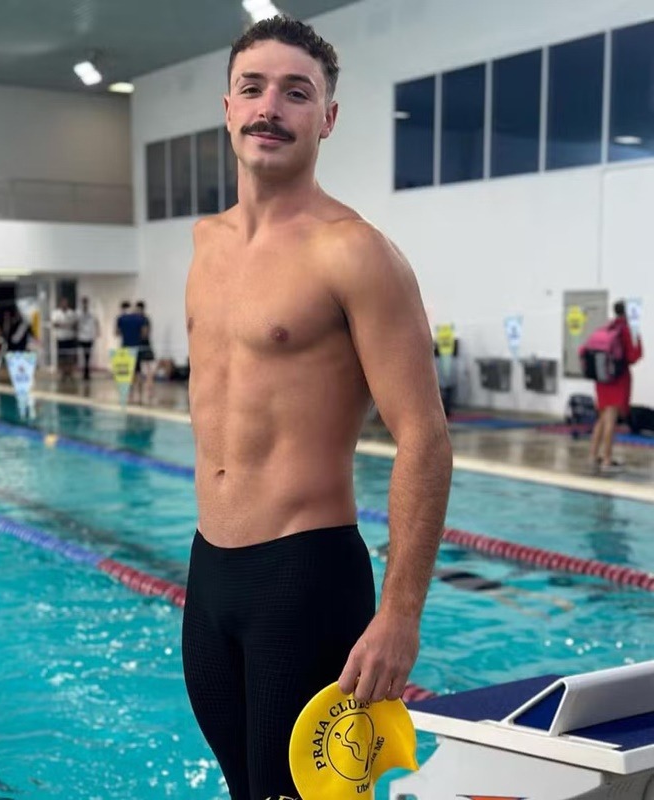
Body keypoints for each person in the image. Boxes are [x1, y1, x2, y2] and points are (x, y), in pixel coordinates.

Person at [181, 16, 452, 800]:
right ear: (227, 107)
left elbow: (424, 439)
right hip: (208, 574)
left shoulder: (354, 252)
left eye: (295, 93)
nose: (270, 107)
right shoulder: (203, 243)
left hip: (302, 579)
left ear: (326, 118)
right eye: (253, 88)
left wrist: (399, 615)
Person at [588, 300, 643, 473]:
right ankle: (607, 459)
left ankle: (593, 456)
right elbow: (634, 356)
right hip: (617, 380)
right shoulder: (626, 330)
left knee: (602, 418)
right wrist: (637, 338)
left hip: (602, 380)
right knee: (611, 419)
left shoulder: (606, 327)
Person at [51, 297, 78, 381]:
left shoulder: (71, 313)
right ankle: (63, 372)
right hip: (60, 337)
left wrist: (64, 325)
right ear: (60, 304)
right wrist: (65, 325)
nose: (64, 304)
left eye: (65, 303)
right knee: (62, 356)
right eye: (63, 303)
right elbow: (55, 324)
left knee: (70, 356)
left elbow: (75, 324)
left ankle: (70, 372)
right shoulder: (56, 313)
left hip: (70, 337)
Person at [135, 300, 156, 403]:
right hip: (142, 345)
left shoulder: (144, 319)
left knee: (147, 369)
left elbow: (145, 333)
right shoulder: (143, 319)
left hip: (144, 346)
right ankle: (143, 391)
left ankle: (149, 390)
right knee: (140, 369)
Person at [77, 296, 100, 381]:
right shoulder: (78, 312)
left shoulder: (92, 312)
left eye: (86, 302)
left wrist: (97, 331)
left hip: (90, 336)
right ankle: (84, 371)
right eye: (83, 302)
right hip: (81, 336)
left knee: (88, 355)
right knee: (82, 355)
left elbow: (96, 322)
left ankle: (87, 372)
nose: (85, 304)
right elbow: (76, 323)